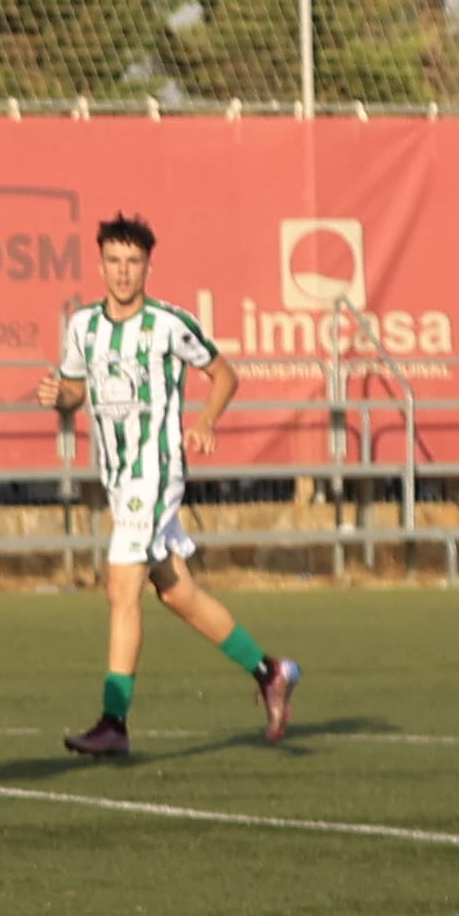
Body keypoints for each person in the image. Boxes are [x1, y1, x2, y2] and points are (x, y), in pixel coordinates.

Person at [33, 217, 295, 756]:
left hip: (155, 471)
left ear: (148, 267)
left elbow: (225, 373)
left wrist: (205, 422)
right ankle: (269, 670)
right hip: (117, 474)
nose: (123, 271)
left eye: (133, 262)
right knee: (176, 591)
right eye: (114, 260)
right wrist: (57, 395)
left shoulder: (169, 323)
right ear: (101, 263)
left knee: (120, 588)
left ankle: (114, 722)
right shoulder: (82, 326)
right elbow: (75, 393)